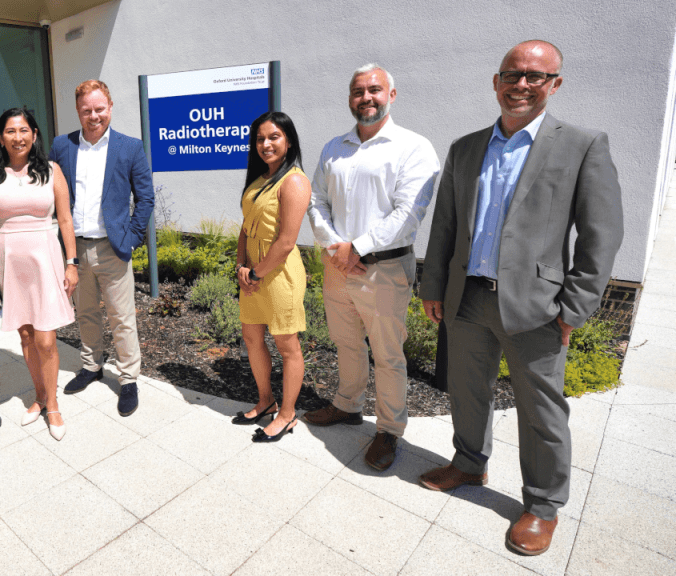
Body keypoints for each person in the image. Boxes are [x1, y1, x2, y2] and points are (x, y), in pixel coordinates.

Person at [418, 40, 623, 556]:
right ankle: (469, 463)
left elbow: (601, 236)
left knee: (540, 411)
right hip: (468, 297)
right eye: (512, 74)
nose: (522, 84)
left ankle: (543, 504)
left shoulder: (583, 145)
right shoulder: (466, 147)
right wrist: (434, 285)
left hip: (537, 307)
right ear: (496, 81)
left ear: (555, 84)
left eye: (536, 76)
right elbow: (445, 224)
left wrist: (574, 308)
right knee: (467, 390)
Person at [303, 64, 440, 471]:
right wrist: (334, 247)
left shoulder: (413, 147)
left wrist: (357, 248)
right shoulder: (335, 147)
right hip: (337, 266)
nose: (366, 97)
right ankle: (348, 405)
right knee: (346, 342)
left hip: (384, 269)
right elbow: (316, 201)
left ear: (391, 95)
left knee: (387, 353)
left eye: (375, 90)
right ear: (350, 98)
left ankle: (389, 429)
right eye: (358, 91)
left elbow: (409, 213)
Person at [49, 80, 154, 416]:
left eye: (99, 109)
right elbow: (51, 193)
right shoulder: (61, 146)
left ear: (110, 107)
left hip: (113, 247)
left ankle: (128, 378)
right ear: (77, 111)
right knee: (85, 313)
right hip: (75, 248)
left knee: (122, 318)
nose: (93, 116)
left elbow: (145, 198)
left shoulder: (130, 147)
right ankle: (91, 365)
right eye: (86, 110)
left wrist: (132, 237)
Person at [0, 108, 78, 441]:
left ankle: (54, 406)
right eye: (10, 131)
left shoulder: (52, 170)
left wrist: (72, 262)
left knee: (46, 339)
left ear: (34, 135)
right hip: (7, 262)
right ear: (0, 136)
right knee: (25, 336)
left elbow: (65, 219)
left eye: (23, 130)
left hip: (45, 258)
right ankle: (40, 395)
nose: (17, 137)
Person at [232, 111, 311, 443]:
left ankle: (287, 414)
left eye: (274, 137)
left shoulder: (294, 181)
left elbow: (286, 241)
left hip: (279, 274)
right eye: (260, 138)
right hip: (252, 272)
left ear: (288, 141)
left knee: (286, 346)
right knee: (252, 338)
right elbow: (245, 228)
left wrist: (255, 273)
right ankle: (266, 401)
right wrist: (241, 266)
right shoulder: (259, 179)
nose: (266, 144)